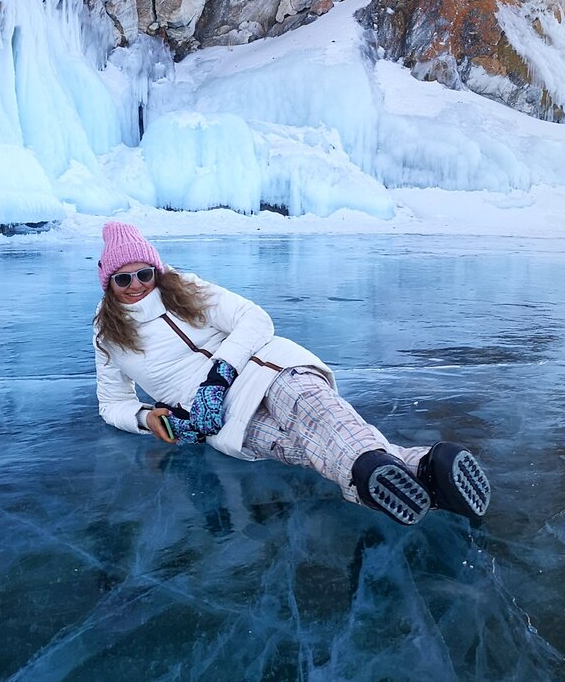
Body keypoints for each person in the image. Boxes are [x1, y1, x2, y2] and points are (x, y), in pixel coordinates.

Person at [92, 221, 490, 527]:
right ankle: (421, 467)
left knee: (314, 413)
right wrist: (150, 419)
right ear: (108, 281)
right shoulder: (107, 334)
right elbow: (113, 403)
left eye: (144, 273)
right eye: (123, 278)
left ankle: (371, 473)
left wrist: (219, 376)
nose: (136, 286)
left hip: (268, 367)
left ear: (156, 269)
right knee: (295, 446)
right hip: (216, 420)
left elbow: (254, 319)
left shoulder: (187, 289)